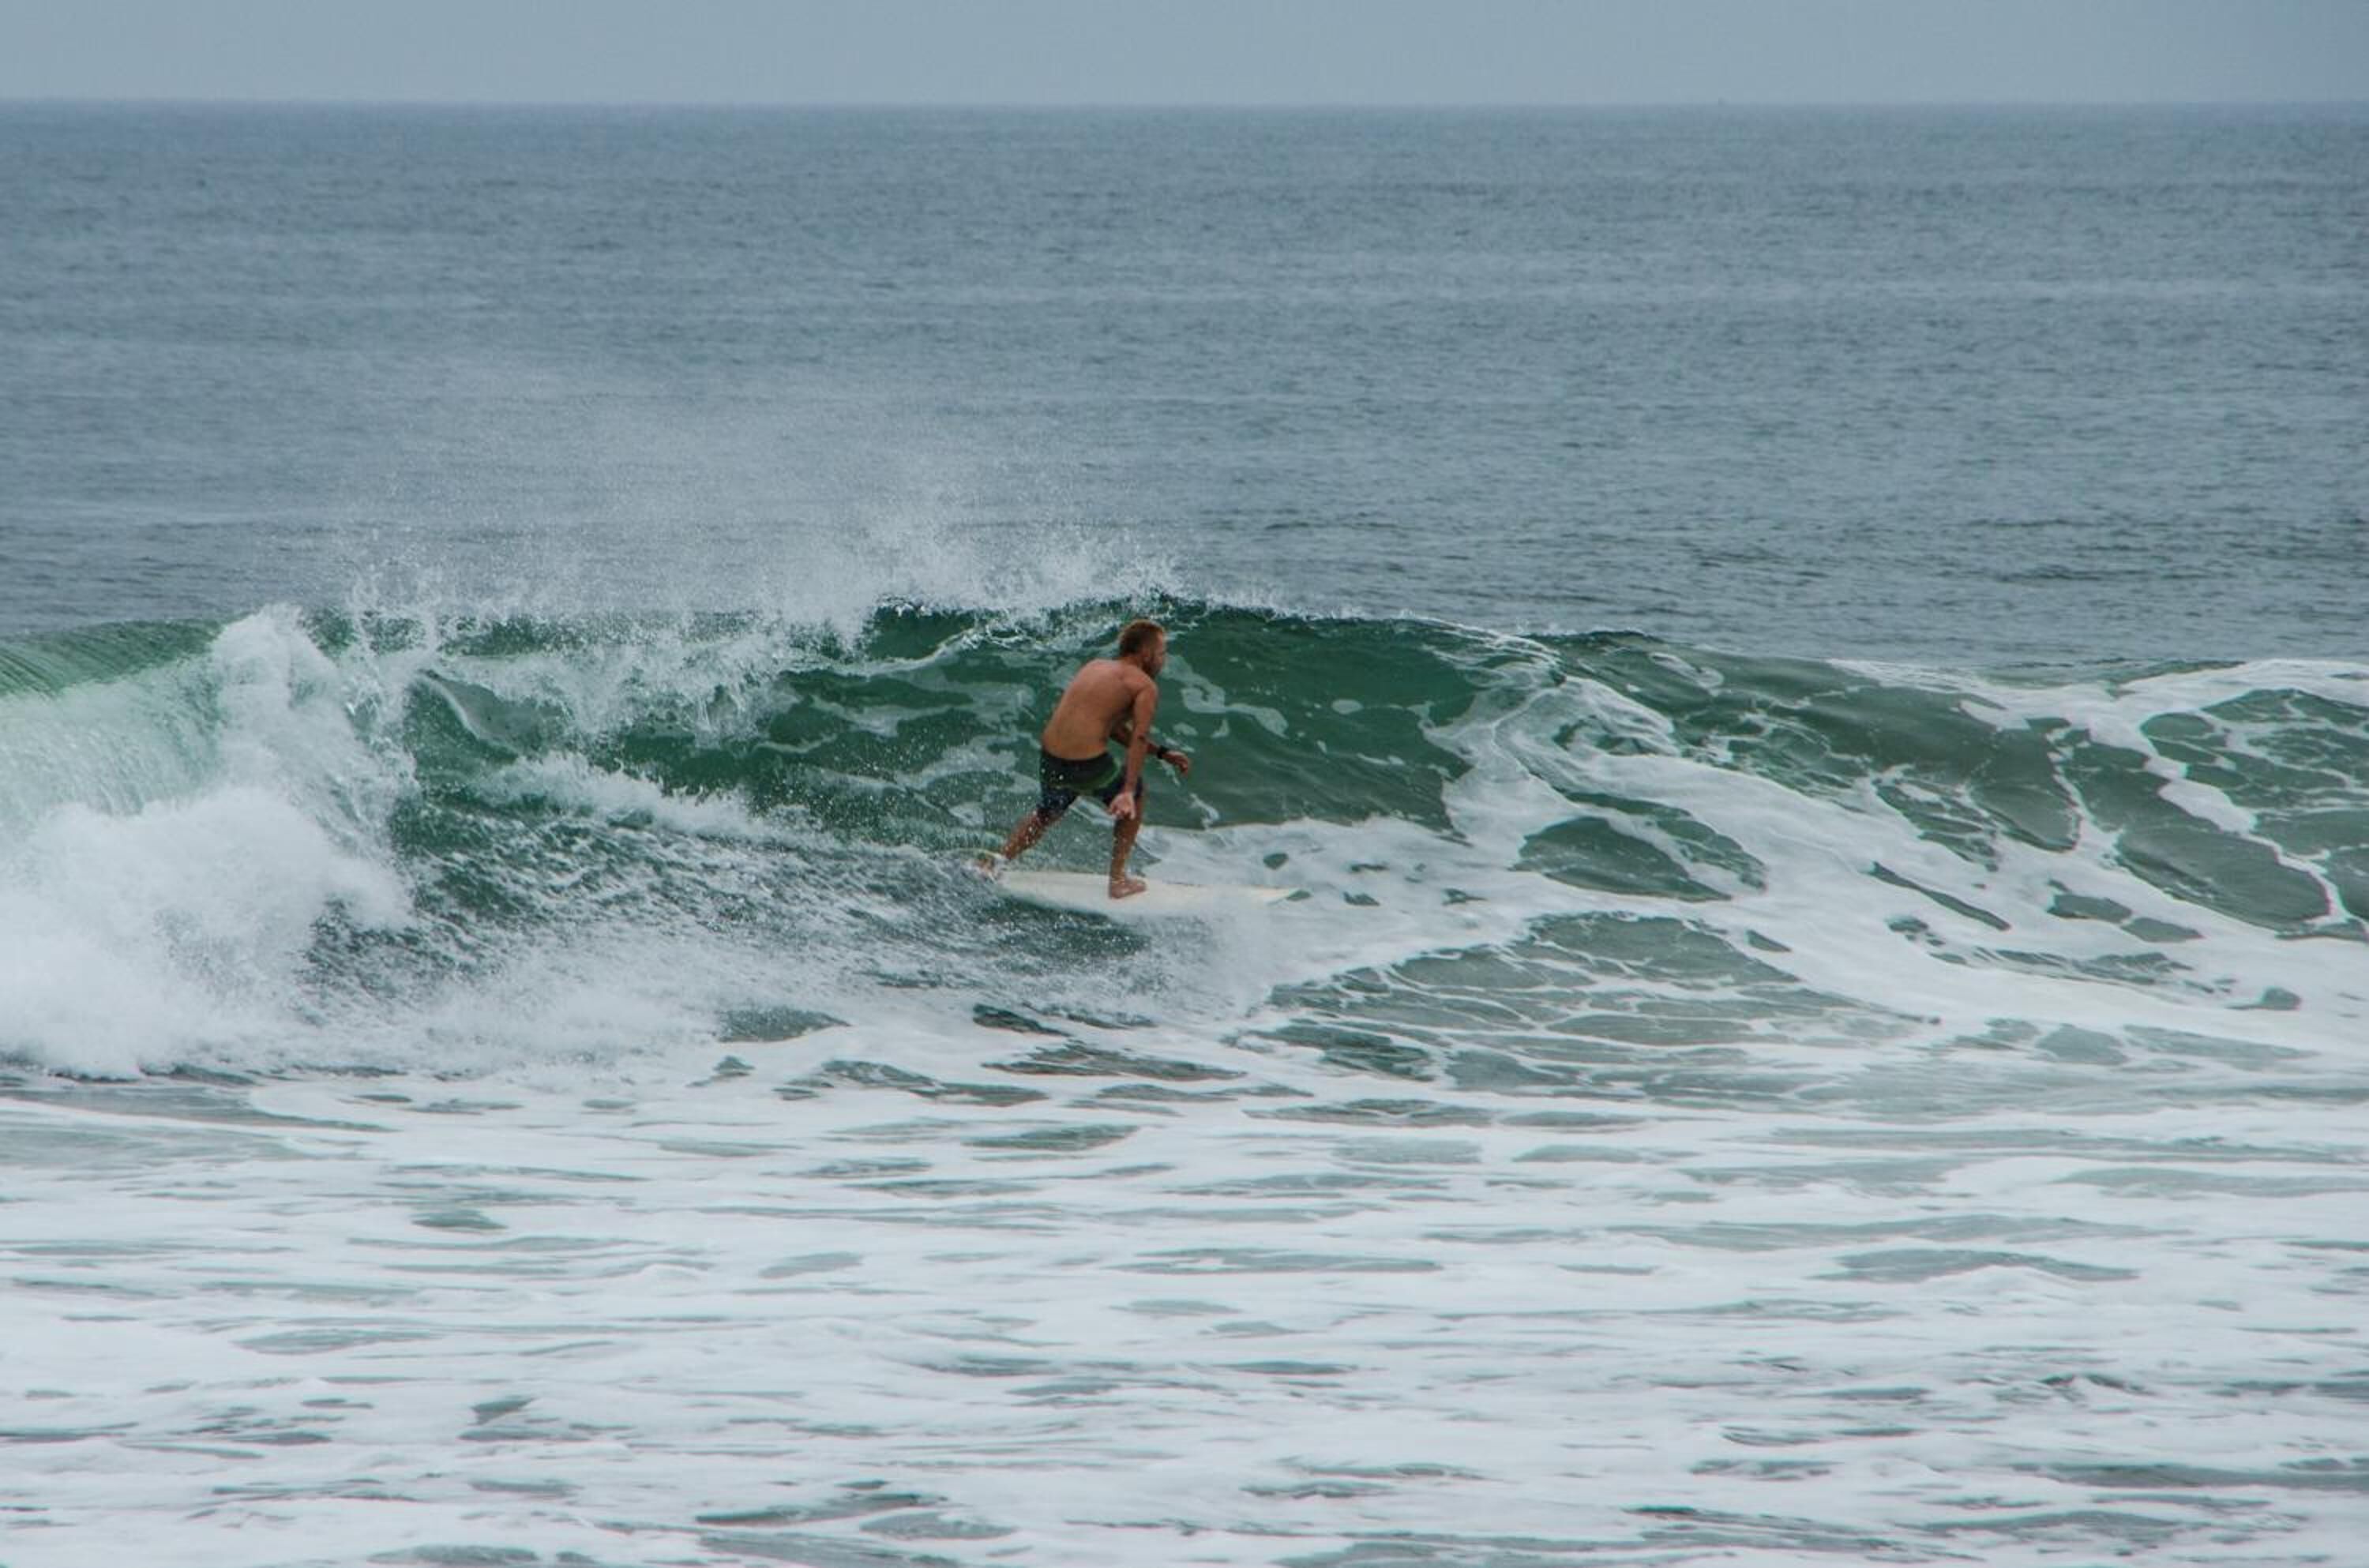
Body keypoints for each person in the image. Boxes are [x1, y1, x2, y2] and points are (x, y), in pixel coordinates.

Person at [986, 619, 1192, 898]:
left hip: (1051, 756)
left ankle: (995, 863)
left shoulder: (1095, 666)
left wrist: (1162, 753)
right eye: (1162, 654)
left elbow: (1115, 728)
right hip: (1084, 763)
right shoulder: (1143, 685)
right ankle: (1118, 881)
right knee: (1138, 794)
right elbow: (1138, 738)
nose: (1163, 660)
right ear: (1146, 655)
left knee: (1046, 813)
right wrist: (1129, 791)